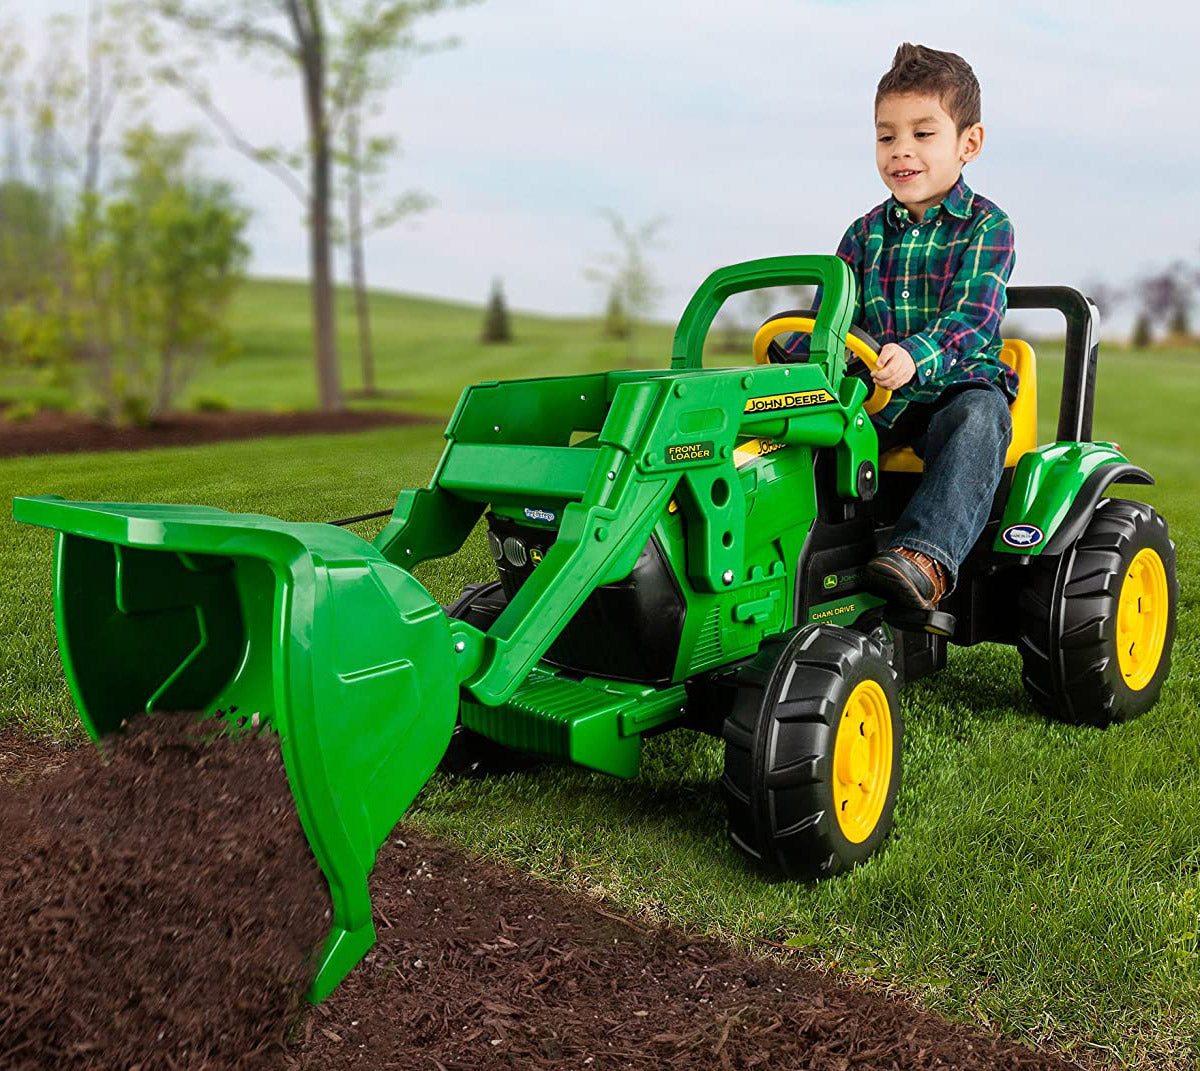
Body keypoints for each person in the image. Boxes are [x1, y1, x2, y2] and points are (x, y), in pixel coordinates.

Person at [784, 42, 1017, 614]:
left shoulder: (986, 226)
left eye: (922, 134)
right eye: (887, 137)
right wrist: (795, 357)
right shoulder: (862, 235)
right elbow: (831, 320)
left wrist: (916, 353)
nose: (900, 151)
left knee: (979, 418)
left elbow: (975, 319)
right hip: (875, 398)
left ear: (969, 143)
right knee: (804, 424)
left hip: (953, 390)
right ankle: (791, 547)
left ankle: (925, 555)